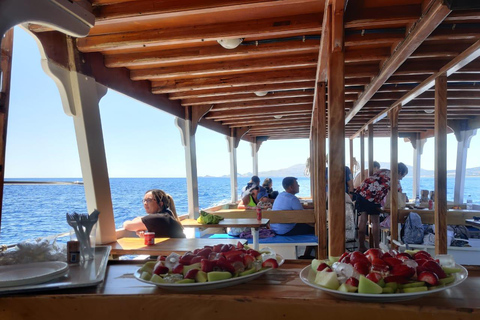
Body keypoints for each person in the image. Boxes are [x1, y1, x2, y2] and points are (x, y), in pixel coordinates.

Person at [355, 163, 409, 252]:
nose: (402, 178)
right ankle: (376, 247)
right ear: (399, 172)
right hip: (373, 198)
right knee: (375, 222)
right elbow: (400, 194)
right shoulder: (394, 179)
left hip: (361, 194)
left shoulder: (383, 171)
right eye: (402, 175)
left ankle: (361, 246)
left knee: (362, 221)